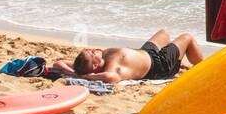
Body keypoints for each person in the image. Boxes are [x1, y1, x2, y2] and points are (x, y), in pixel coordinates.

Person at [51, 30, 204, 84]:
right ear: (95, 66)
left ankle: (178, 56)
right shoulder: (111, 67)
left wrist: (74, 73)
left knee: (164, 33)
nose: (92, 50)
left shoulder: (94, 62)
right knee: (187, 37)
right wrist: (88, 77)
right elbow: (112, 78)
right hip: (159, 66)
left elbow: (59, 63)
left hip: (147, 52)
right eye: (91, 54)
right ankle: (204, 68)